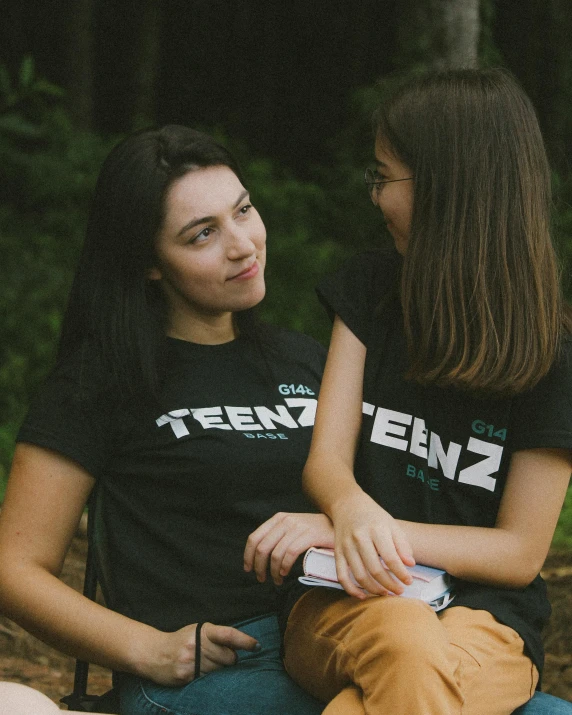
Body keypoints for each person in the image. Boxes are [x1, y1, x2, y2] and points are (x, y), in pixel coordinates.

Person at [0, 125, 334, 714]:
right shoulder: (102, 382)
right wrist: (148, 650)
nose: (243, 244)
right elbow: (15, 568)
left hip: (346, 632)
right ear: (150, 263)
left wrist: (337, 526)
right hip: (221, 669)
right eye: (203, 234)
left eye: (243, 211)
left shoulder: (307, 359)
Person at [274, 69, 572, 714]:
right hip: (342, 600)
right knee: (404, 633)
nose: (374, 197)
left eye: (384, 178)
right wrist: (348, 512)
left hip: (488, 621)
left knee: (398, 681)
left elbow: (520, 552)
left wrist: (361, 529)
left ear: (446, 188)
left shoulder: (552, 352)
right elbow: (327, 461)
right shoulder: (368, 293)